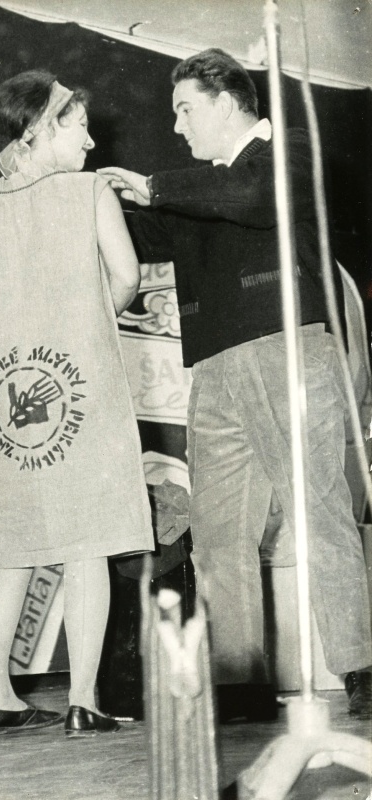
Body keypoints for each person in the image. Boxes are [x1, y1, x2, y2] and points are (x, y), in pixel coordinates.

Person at [99, 48, 372, 721]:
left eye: (185, 109)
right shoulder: (199, 189)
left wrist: (153, 185)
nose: (177, 126)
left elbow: (252, 198)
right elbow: (139, 235)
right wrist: (80, 201)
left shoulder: (287, 150)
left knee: (318, 512)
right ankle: (240, 681)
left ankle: (362, 667)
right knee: (219, 534)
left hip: (286, 350)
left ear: (226, 102)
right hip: (214, 370)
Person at [0, 70, 153, 736]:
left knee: (13, 549)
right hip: (80, 392)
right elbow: (126, 277)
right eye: (80, 127)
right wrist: (86, 325)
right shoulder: (89, 193)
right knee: (88, 542)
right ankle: (84, 700)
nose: (92, 143)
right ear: (39, 129)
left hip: (8, 403)